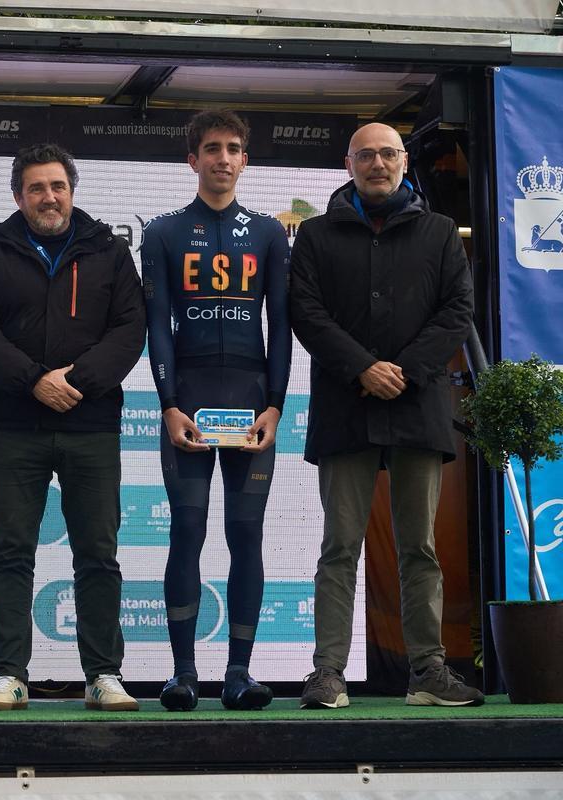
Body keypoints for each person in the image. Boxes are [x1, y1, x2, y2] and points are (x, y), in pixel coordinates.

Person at [289, 122, 482, 709]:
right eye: (366, 154)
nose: (378, 163)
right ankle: (328, 674)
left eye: (389, 153)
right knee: (338, 545)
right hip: (346, 409)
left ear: (404, 162)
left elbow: (457, 310)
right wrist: (363, 369)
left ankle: (428, 672)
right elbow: (306, 313)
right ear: (348, 163)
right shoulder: (317, 236)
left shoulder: (442, 233)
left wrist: (403, 369)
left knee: (418, 547)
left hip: (418, 407)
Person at [0, 143, 145, 711]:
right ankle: (9, 675)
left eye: (58, 186)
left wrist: (80, 380)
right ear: (19, 196)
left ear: (72, 191)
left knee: (97, 552)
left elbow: (130, 328)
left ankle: (103, 675)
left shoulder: (109, 251)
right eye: (36, 188)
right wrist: (35, 379)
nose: (49, 197)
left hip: (91, 426)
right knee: (11, 551)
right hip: (16, 425)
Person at [140, 110, 292, 711]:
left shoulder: (270, 233)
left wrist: (276, 406)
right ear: (192, 160)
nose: (222, 158)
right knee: (188, 531)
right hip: (191, 403)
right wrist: (171, 405)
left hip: (252, 402)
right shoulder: (163, 232)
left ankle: (238, 672)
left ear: (245, 160)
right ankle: (183, 674)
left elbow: (279, 325)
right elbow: (158, 327)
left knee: (246, 535)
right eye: (211, 148)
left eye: (233, 148)